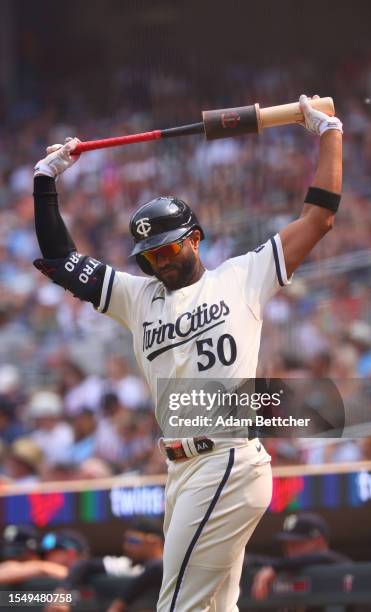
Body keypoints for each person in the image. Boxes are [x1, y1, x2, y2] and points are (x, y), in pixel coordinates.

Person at [32, 94, 343, 611]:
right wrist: (46, 181)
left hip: (226, 457)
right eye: (150, 255)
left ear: (195, 239)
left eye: (170, 248)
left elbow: (318, 219)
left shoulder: (242, 276)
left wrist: (329, 132)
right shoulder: (137, 297)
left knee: (176, 607)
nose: (160, 261)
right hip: (182, 469)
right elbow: (60, 259)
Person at [251, 513, 350, 602]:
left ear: (319, 542)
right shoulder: (284, 568)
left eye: (296, 544)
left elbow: (325, 557)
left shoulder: (337, 563)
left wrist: (276, 567)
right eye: (287, 545)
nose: (290, 550)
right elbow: (270, 562)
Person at [0, 524, 67, 584]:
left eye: (20, 554)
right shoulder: (43, 568)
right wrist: (41, 568)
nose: (15, 558)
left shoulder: (53, 570)